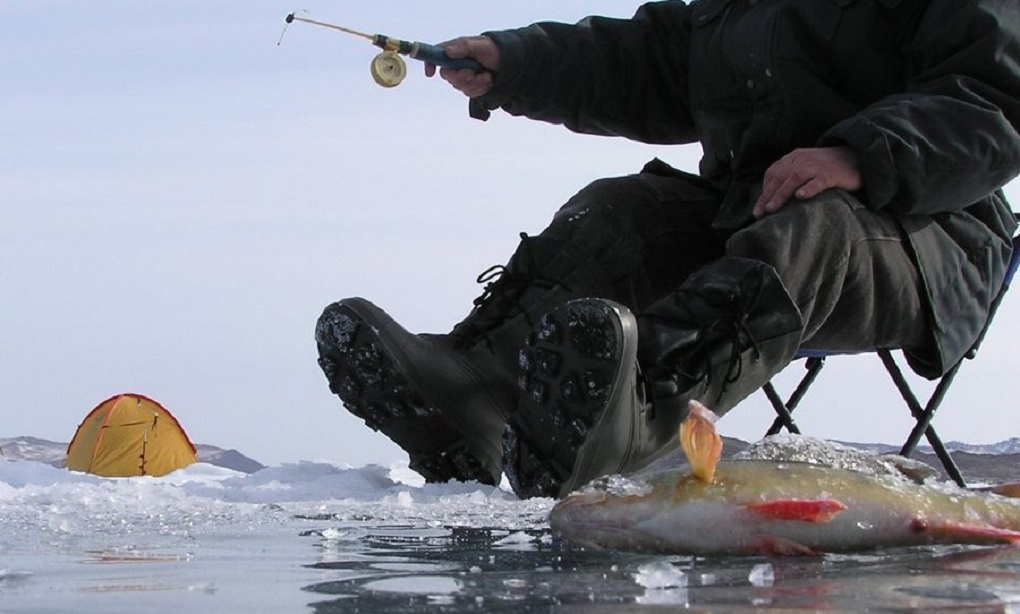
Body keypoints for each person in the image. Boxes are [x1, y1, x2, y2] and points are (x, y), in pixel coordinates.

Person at [315, 1, 1020, 499]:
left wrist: (861, 154)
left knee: (813, 227)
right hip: (751, 213)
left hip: (922, 232)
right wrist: (519, 63)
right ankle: (473, 392)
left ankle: (633, 407)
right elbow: (650, 62)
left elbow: (995, 93)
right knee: (621, 211)